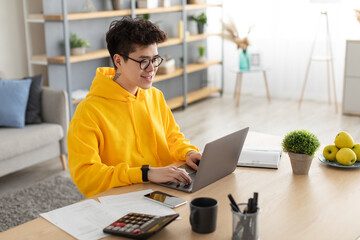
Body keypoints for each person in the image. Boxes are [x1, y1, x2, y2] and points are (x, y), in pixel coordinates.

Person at [67, 17, 201, 197]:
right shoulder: (88, 112)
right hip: (123, 197)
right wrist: (145, 173)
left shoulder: (155, 96)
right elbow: (87, 176)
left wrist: (188, 152)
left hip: (167, 189)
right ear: (118, 61)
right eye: (143, 61)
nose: (152, 68)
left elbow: (172, 137)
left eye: (155, 59)